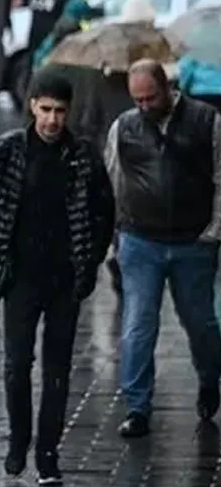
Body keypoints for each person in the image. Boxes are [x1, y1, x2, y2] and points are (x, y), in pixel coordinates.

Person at [0, 69, 114, 481]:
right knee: (17, 365)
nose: (52, 119)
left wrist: (89, 260)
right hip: (20, 277)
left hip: (64, 280)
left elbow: (103, 211)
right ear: (32, 105)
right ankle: (20, 438)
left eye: (60, 111)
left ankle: (48, 451)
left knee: (58, 368)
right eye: (46, 109)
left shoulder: (83, 155)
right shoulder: (9, 152)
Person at [104, 59, 221, 437]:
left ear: (166, 88)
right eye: (136, 99)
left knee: (201, 324)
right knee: (137, 324)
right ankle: (137, 406)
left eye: (150, 98)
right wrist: (117, 235)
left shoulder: (206, 121)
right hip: (141, 240)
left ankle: (209, 379)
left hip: (193, 241)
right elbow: (114, 181)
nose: (143, 106)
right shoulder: (124, 128)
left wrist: (213, 231)